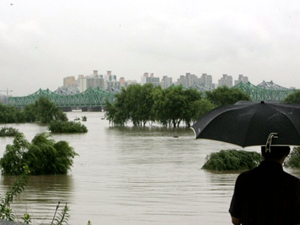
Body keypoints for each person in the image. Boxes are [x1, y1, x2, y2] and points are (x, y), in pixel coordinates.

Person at [229, 145, 300, 225]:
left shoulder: (244, 179)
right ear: (287, 152)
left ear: (262, 152)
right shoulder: (294, 184)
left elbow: (235, 220)